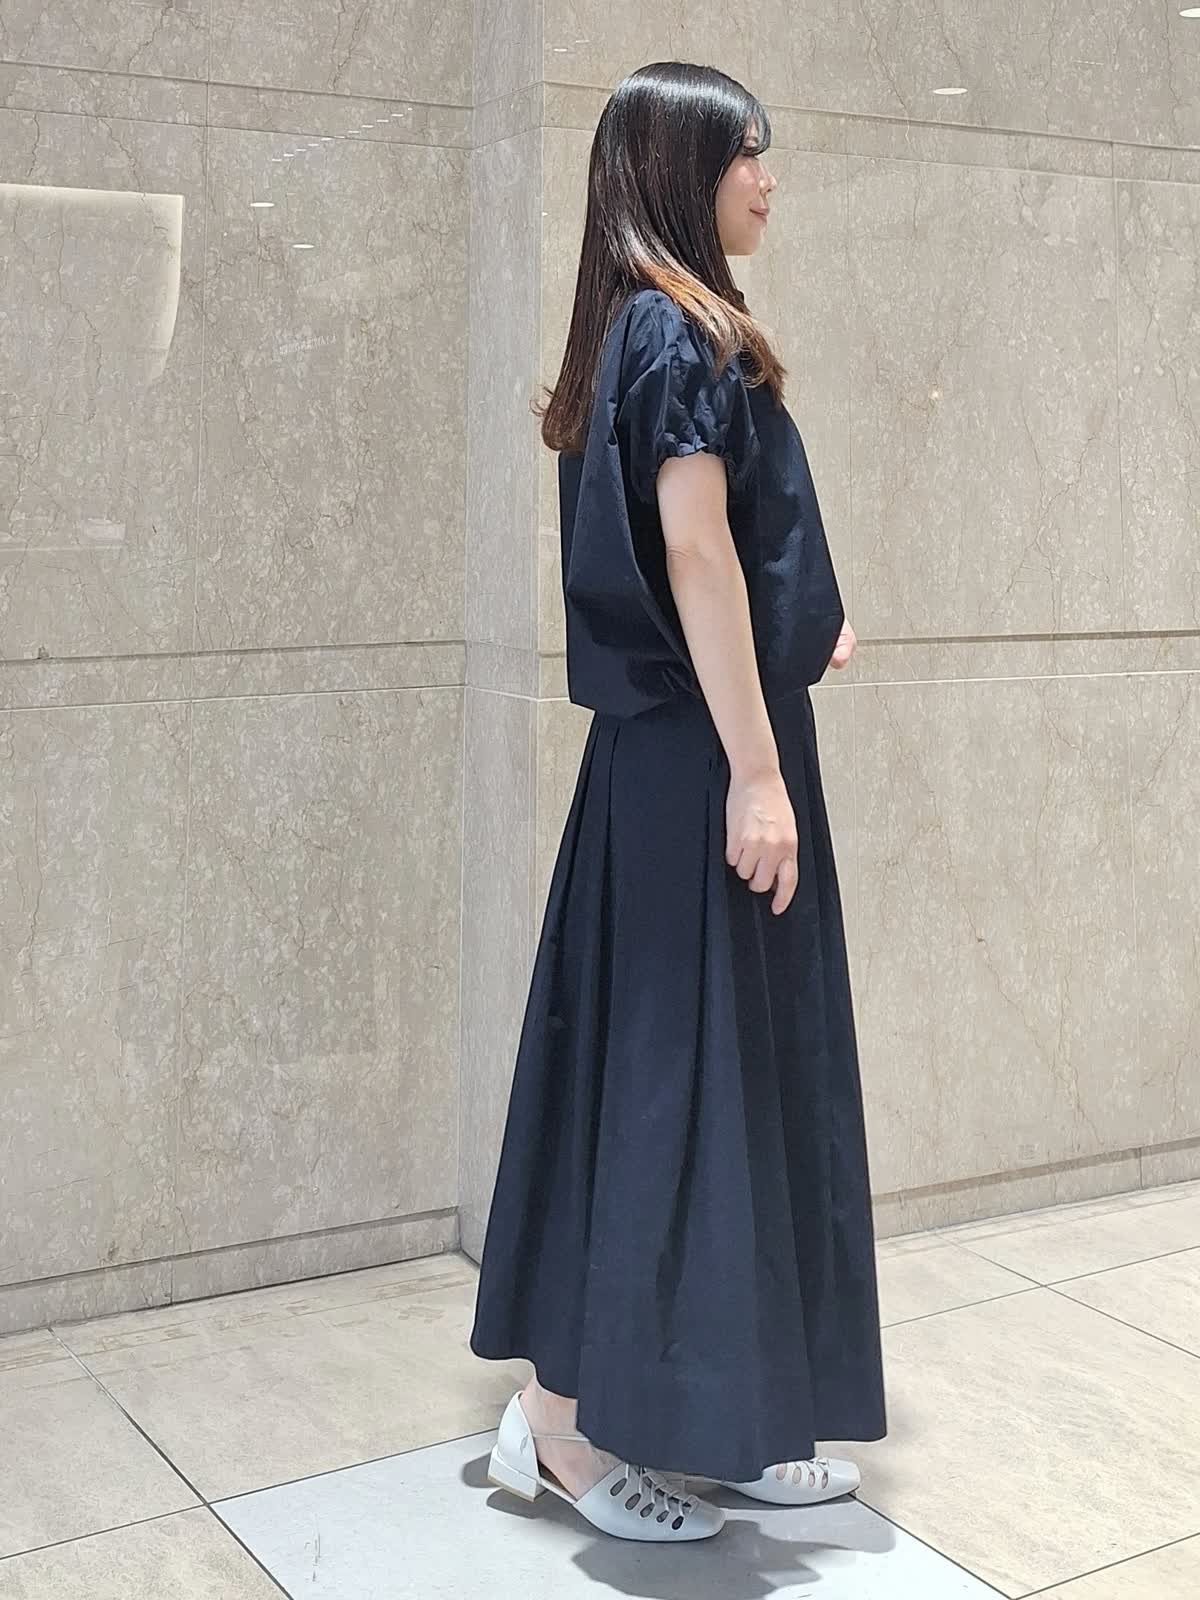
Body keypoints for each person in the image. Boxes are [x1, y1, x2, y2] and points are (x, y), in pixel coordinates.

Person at [468, 60, 887, 1543]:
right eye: (748, 151)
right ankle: (562, 1432)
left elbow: (707, 555)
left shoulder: (651, 329)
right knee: (664, 1079)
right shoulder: (675, 329)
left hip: (690, 751)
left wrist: (802, 627)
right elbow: (693, 553)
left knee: (717, 1078)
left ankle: (732, 1413)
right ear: (682, 167)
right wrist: (757, 771)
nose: (769, 178)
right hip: (703, 764)